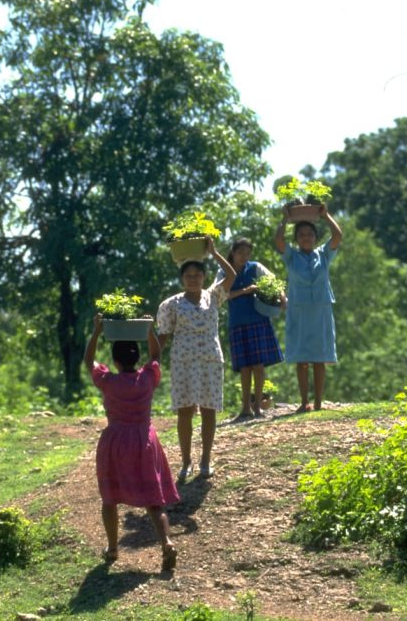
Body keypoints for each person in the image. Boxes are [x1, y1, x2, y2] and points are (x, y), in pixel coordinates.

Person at [84, 313, 179, 571]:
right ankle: (167, 542)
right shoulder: (147, 378)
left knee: (109, 498)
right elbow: (157, 357)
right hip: (143, 439)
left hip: (115, 441)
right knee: (154, 500)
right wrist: (148, 331)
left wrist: (96, 331)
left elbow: (88, 360)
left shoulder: (109, 382)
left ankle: (113, 548)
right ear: (137, 358)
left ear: (114, 361)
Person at [156, 236, 236, 483]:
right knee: (185, 412)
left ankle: (205, 460)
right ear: (182, 279)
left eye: (197, 275)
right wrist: (153, 362)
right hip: (183, 363)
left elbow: (231, 275)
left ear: (203, 277)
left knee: (209, 410)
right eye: (188, 275)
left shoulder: (213, 296)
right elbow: (164, 335)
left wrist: (213, 252)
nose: (193, 279)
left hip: (210, 361)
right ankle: (186, 461)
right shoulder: (171, 305)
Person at [274, 204, 343, 412]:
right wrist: (285, 219)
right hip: (299, 311)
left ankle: (320, 402)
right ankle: (304, 401)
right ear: (297, 239)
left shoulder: (323, 254)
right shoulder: (292, 256)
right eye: (302, 235)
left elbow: (338, 236)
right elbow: (278, 240)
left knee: (319, 358)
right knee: (302, 358)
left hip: (321, 309)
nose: (306, 237)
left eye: (310, 234)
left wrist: (326, 215)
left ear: (315, 237)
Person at [216, 237, 285, 418]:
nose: (244, 257)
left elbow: (274, 283)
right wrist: (245, 291)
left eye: (247, 253)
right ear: (233, 253)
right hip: (237, 323)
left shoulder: (255, 267)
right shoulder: (223, 272)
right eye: (240, 253)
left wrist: (282, 297)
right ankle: (245, 407)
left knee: (258, 366)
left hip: (258, 321)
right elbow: (219, 296)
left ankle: (257, 407)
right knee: (244, 368)